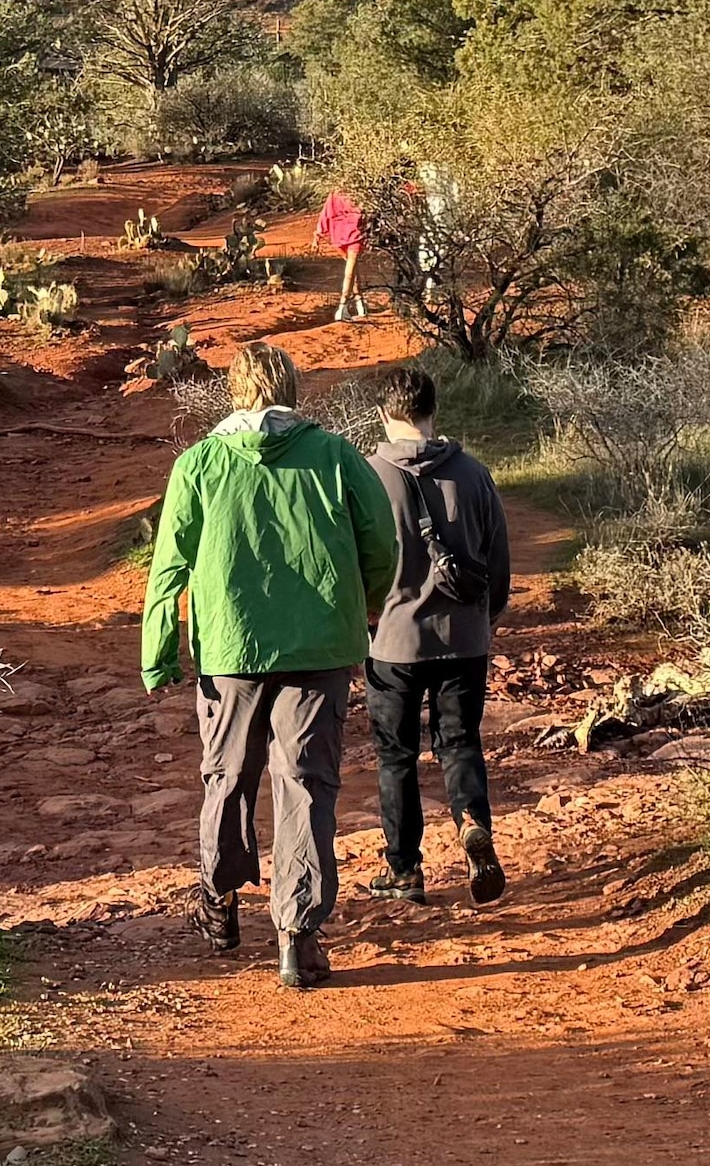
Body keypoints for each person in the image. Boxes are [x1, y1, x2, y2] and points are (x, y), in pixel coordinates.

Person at [144, 338, 396, 988]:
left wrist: (158, 652)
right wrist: (363, 605)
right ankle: (297, 937)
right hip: (320, 648)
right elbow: (382, 543)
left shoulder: (199, 464)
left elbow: (169, 564)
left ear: (234, 390)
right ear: (291, 389)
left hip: (230, 648)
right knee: (305, 783)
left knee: (227, 775)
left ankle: (219, 899)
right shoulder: (336, 456)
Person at [360, 365, 513, 906]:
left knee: (395, 757)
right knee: (460, 743)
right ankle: (472, 824)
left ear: (384, 414)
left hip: (392, 642)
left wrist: (365, 623)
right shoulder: (473, 473)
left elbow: (354, 564)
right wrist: (485, 620)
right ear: (433, 410)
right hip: (464, 638)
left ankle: (404, 871)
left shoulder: (367, 476)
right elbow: (498, 561)